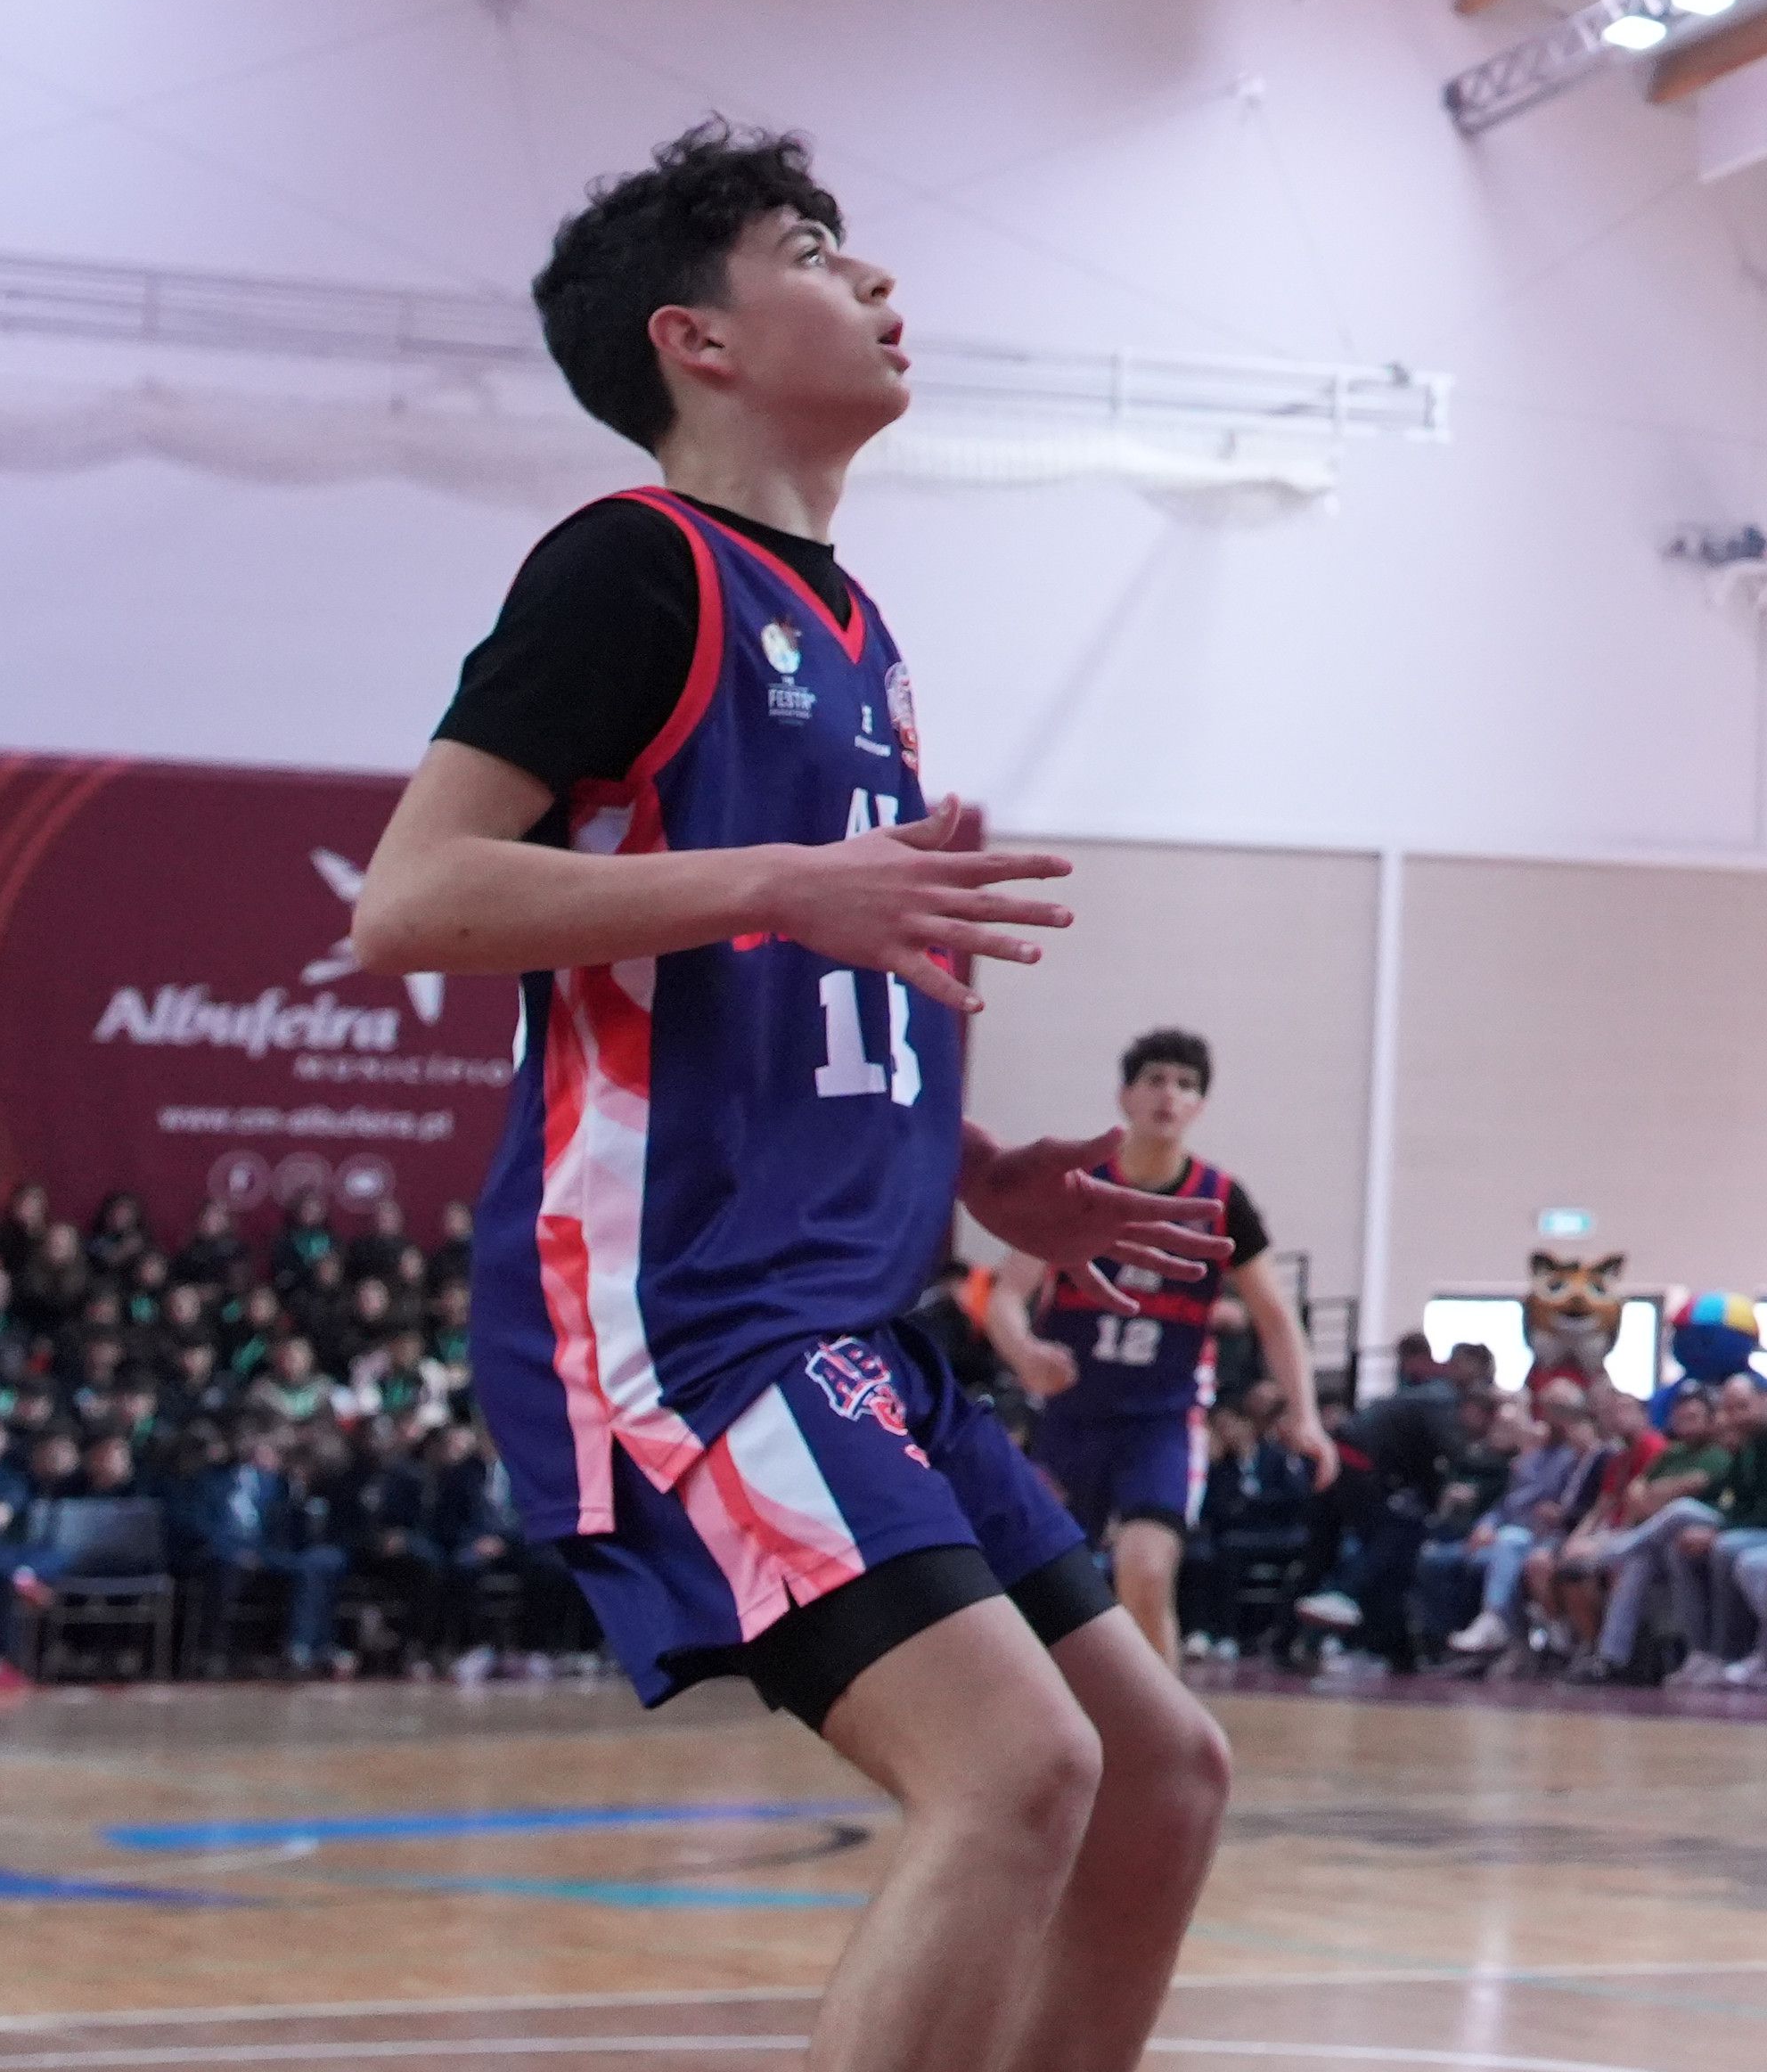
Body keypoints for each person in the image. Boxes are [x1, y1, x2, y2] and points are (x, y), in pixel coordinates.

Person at [344, 126, 1234, 2072]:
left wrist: (990, 1172)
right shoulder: (629, 563)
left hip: (859, 1303)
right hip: (696, 1308)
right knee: (1015, 1766)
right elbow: (413, 898)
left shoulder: (859, 630)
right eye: (816, 248)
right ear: (700, 337)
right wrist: (774, 879)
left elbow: (814, 985)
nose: (878, 278)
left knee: (1162, 1770)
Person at [978, 1028, 1335, 1678]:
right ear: (1125, 1096)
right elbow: (1005, 1296)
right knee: (1040, 1587)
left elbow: (1276, 1319)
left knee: (1144, 1574)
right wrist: (1023, 1349)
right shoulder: (1078, 1188)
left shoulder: (1220, 1200)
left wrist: (1304, 1413)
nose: (1169, 1094)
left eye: (1185, 1084)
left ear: (1199, 1106)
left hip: (1161, 1424)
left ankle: (1163, 1746)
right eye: (1155, 1079)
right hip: (1072, 1420)